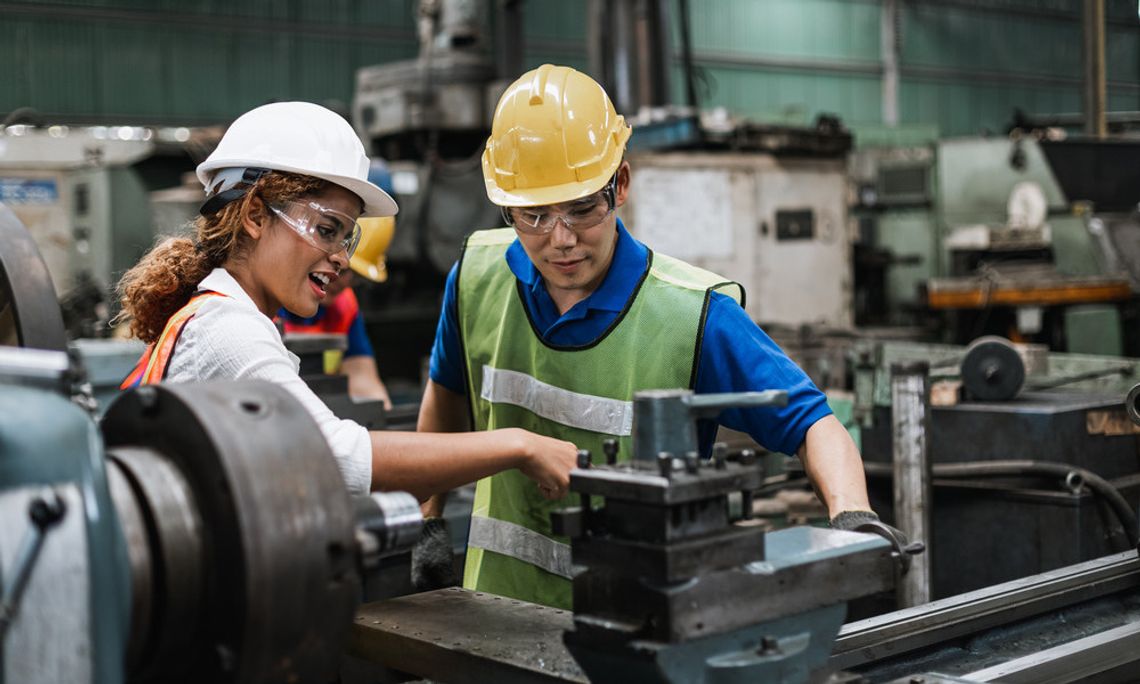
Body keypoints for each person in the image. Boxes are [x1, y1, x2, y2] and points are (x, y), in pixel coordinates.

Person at [418, 65, 880, 609]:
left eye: (583, 208)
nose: (560, 239)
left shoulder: (693, 314)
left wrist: (853, 519)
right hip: (495, 612)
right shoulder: (476, 275)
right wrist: (428, 519)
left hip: (638, 632)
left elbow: (812, 423)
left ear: (621, 186)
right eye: (534, 215)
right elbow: (446, 395)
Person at [116, 101, 577, 501]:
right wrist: (520, 446)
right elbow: (336, 457)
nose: (340, 258)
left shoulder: (216, 314)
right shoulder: (228, 328)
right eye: (326, 229)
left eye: (346, 237)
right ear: (255, 214)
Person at [279, 215, 395, 408]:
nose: (343, 280)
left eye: (355, 276)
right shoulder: (263, 302)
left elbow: (364, 382)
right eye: (342, 270)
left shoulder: (344, 306)